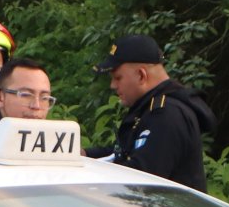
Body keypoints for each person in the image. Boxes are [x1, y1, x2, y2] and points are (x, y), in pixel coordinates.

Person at [92, 35, 215, 189]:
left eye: (118, 78)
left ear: (141, 75)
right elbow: (121, 153)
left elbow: (140, 182)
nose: (112, 85)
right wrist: (82, 156)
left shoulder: (167, 116)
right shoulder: (149, 109)